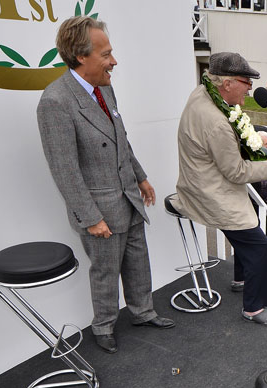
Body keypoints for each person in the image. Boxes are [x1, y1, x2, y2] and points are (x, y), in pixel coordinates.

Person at [37, 16, 173, 353]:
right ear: (81, 56)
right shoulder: (55, 102)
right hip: (100, 210)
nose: (114, 61)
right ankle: (104, 326)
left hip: (128, 196)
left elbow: (120, 139)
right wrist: (90, 217)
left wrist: (140, 176)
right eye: (106, 54)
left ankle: (142, 311)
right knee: (106, 271)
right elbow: (64, 169)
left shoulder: (105, 89)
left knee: (138, 260)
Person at [173, 52, 267, 327]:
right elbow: (237, 172)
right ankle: (253, 308)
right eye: (246, 81)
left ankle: (241, 279)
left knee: (248, 232)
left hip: (203, 181)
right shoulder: (216, 122)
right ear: (226, 84)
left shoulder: (203, 93)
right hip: (209, 191)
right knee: (260, 246)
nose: (251, 88)